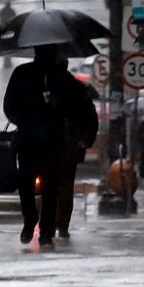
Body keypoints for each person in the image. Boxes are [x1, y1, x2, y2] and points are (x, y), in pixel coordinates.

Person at [4, 45, 87, 247]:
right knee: (32, 185)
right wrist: (26, 119)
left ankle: (45, 231)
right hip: (31, 140)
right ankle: (34, 221)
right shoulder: (23, 74)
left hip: (51, 141)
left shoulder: (60, 78)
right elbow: (9, 106)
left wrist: (58, 105)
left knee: (47, 187)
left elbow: (77, 107)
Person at [55, 82, 98, 239]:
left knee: (63, 187)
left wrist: (84, 142)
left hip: (65, 149)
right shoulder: (77, 93)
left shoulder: (78, 95)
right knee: (62, 187)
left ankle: (60, 223)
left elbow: (91, 122)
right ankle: (59, 223)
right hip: (58, 148)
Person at [0, 2, 17, 68]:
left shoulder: (2, 11)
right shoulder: (12, 11)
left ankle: (6, 61)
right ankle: (8, 61)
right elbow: (15, 19)